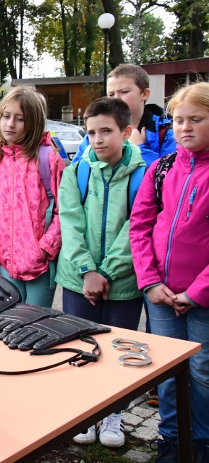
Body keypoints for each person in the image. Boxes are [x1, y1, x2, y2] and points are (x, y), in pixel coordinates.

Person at [57, 97, 146, 448]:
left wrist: (106, 272)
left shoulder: (143, 174)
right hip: (78, 281)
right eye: (91, 132)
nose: (97, 139)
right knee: (80, 347)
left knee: (120, 349)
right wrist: (87, 271)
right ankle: (85, 412)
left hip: (123, 282)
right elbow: (71, 223)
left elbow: (135, 228)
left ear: (126, 132)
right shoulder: (75, 172)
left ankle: (114, 413)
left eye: (106, 131)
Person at [130, 81, 209, 462]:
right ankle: (171, 441)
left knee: (201, 373)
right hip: (161, 294)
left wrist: (197, 293)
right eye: (179, 120)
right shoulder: (161, 168)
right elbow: (140, 226)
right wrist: (150, 281)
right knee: (166, 371)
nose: (185, 127)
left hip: (202, 299)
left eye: (196, 119)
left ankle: (201, 444)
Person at [0, 86, 65, 307]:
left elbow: (64, 211)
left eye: (20, 119)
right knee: (10, 325)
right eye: (6, 116)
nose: (10, 124)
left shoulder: (48, 159)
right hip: (7, 264)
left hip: (40, 265)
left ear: (33, 122)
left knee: (35, 325)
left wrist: (44, 248)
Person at [72, 64, 176, 167]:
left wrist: (140, 149)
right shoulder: (95, 131)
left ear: (144, 94)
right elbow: (75, 174)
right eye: (111, 94)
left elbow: (167, 177)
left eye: (124, 92)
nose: (116, 99)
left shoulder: (165, 134)